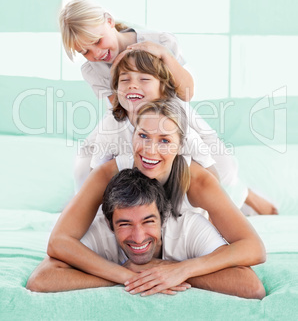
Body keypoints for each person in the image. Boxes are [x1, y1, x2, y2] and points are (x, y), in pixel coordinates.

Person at [60, 0, 278, 215]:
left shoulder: (160, 41)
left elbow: (187, 92)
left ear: (109, 21)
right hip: (130, 117)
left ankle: (244, 194)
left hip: (172, 110)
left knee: (224, 169)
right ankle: (84, 210)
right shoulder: (92, 69)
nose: (96, 54)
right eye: (84, 52)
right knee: (83, 166)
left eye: (97, 41)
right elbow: (120, 107)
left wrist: (164, 55)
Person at [26, 99, 266, 297]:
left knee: (231, 189)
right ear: (132, 137)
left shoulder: (197, 183)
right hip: (124, 246)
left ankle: (249, 196)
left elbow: (253, 247)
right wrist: (126, 274)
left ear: (180, 146)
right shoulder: (107, 174)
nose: (150, 150)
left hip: (191, 241)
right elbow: (59, 241)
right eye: (143, 136)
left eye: (164, 140)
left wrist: (179, 269)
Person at [26, 168, 265, 299]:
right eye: (125, 224)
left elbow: (251, 286)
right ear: (109, 224)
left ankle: (253, 199)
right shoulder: (99, 228)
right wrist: (126, 275)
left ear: (164, 217)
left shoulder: (190, 227)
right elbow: (41, 279)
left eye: (148, 221)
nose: (138, 237)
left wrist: (173, 272)